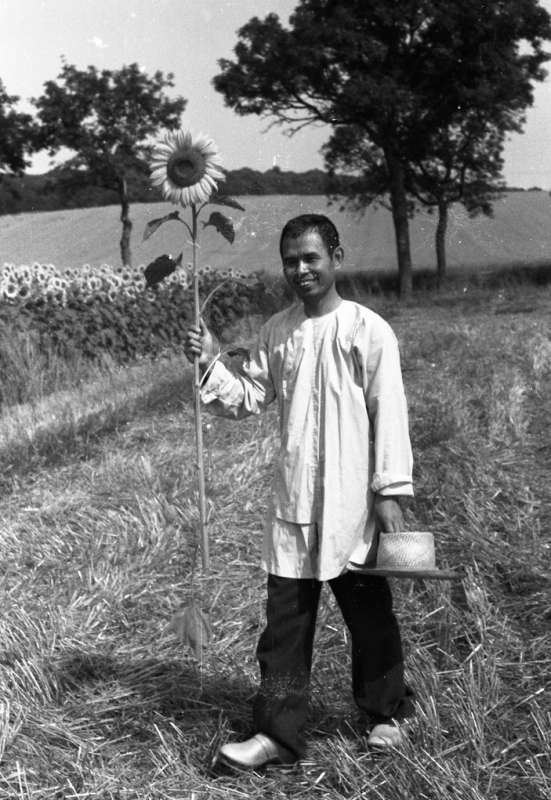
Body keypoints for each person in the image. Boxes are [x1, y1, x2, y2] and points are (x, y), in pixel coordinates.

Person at [184, 213, 415, 770]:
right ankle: (277, 736)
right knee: (284, 627)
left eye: (311, 257)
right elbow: (247, 397)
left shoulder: (367, 330)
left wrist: (389, 492)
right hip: (293, 506)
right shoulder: (278, 330)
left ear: (336, 257)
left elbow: (390, 414)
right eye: (291, 260)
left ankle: (384, 714)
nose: (301, 269)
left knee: (369, 617)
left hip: (350, 506)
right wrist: (212, 359)